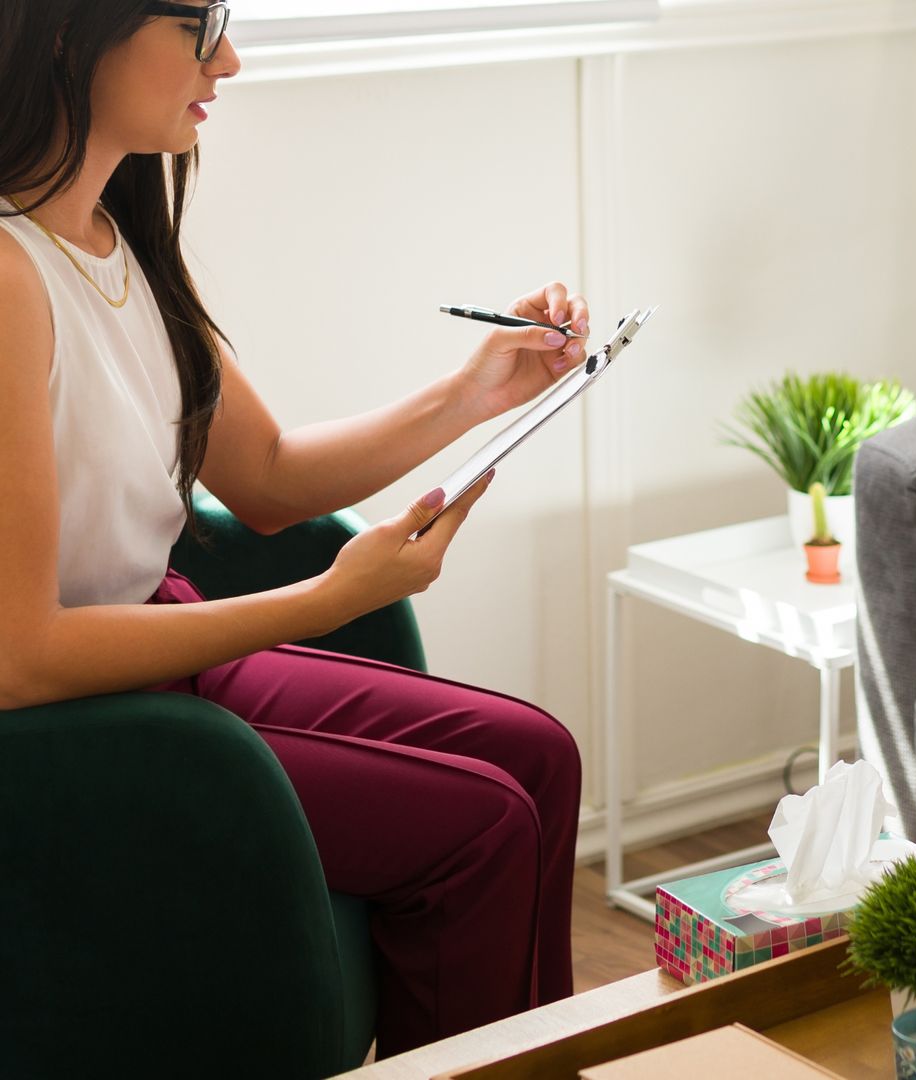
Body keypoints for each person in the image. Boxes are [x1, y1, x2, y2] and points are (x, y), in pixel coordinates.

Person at [0, 0, 585, 1057]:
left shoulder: (115, 242)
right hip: (76, 727)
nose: (228, 58)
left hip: (158, 661)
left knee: (538, 757)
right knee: (483, 824)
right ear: (65, 31)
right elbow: (23, 656)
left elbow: (268, 477)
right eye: (200, 24)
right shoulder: (7, 279)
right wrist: (322, 601)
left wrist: (474, 393)